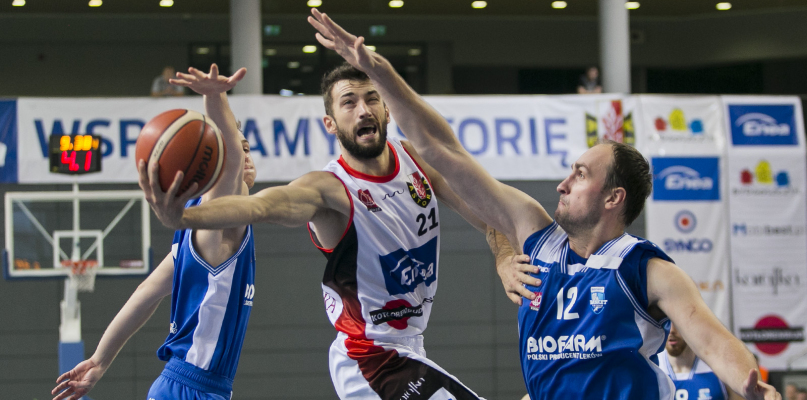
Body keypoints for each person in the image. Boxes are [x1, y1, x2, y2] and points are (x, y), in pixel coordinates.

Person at [303, 8, 782, 400]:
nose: (562, 182)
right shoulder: (534, 231)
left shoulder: (646, 269)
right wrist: (378, 72)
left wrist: (751, 384)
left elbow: (712, 337)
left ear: (613, 198)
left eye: (580, 174)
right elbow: (439, 149)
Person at [137, 44, 490, 400]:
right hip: (370, 357)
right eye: (349, 102)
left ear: (387, 108)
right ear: (331, 124)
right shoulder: (328, 188)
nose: (363, 109)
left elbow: (486, 210)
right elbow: (261, 207)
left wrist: (505, 252)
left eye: (372, 98)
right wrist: (184, 217)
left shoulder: (415, 158)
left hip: (409, 347)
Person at [52, 64, 253, 400]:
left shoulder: (191, 238)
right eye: (240, 147)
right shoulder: (219, 218)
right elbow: (230, 157)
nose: (245, 155)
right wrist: (215, 96)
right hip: (191, 387)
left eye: (248, 148)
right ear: (213, 162)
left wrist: (101, 359)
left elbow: (145, 294)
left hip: (185, 385)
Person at [658, 323, 743, 400]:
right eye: (666, 323)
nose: (672, 330)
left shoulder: (720, 365)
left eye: (677, 323)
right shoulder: (651, 367)